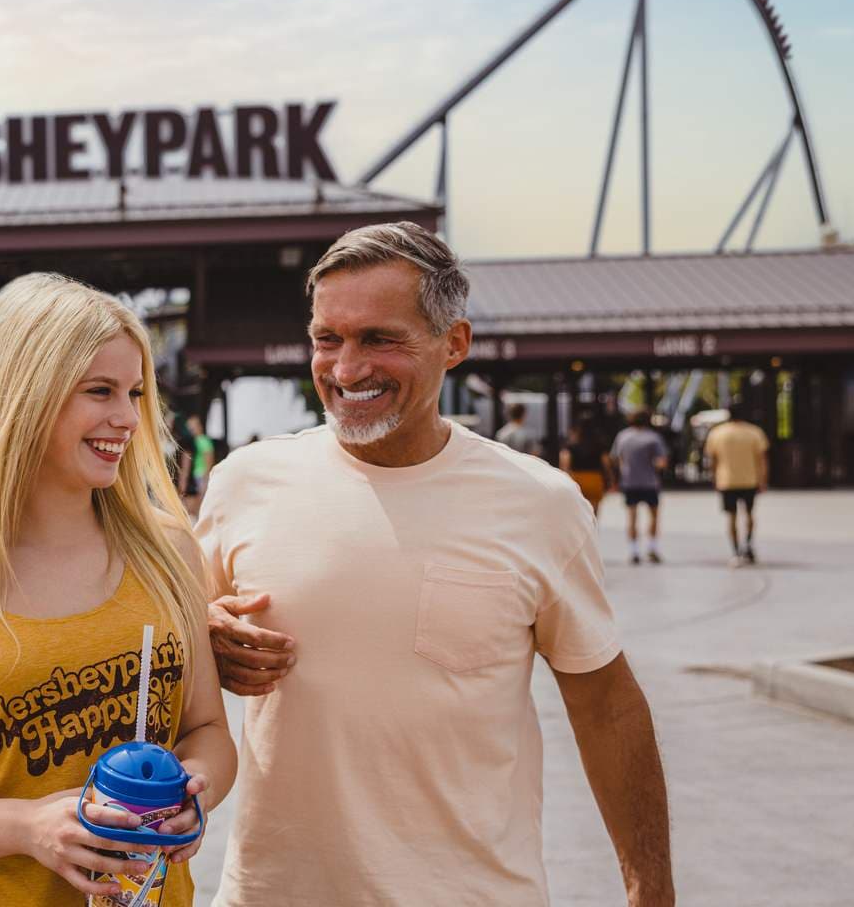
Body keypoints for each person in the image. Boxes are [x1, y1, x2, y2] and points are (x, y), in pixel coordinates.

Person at [198, 222, 672, 906]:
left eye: (380, 339)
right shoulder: (245, 483)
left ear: (454, 344)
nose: (346, 368)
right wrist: (207, 636)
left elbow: (607, 707)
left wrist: (650, 890)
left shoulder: (539, 503)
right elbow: (167, 658)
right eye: (327, 338)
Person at [0, 273, 236, 906]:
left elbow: (208, 729)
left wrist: (191, 789)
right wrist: (27, 828)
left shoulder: (171, 550)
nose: (127, 418)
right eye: (100, 391)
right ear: (23, 397)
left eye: (135, 392)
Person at [704, 403, 771, 566]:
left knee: (731, 516)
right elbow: (762, 459)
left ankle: (735, 551)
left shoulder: (717, 433)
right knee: (749, 514)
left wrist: (714, 477)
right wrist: (763, 480)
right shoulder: (754, 432)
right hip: (750, 479)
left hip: (726, 480)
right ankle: (748, 544)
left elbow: (712, 459)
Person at [610, 408, 671, 565]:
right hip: (650, 482)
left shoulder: (622, 436)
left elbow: (616, 458)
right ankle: (652, 548)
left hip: (629, 481)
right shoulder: (653, 438)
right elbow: (661, 462)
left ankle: (634, 550)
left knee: (632, 517)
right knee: (654, 516)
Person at [560, 420, 613, 517]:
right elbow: (606, 464)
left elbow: (565, 464)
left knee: (579, 512)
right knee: (594, 512)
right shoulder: (599, 446)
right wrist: (610, 478)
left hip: (577, 480)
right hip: (595, 479)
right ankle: (592, 530)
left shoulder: (571, 446)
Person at [187, 414, 216, 496]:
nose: (191, 430)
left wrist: (206, 475)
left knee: (202, 497)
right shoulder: (195, 441)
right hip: (197, 474)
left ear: (199, 426)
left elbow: (209, 458)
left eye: (192, 428)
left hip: (202, 474)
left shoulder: (203, 441)